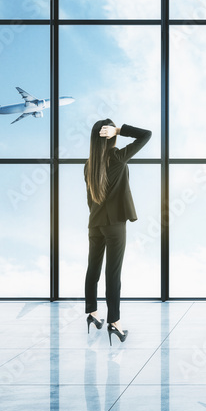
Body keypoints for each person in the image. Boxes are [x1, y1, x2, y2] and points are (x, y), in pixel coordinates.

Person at [84, 118, 151, 344]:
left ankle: (92, 313)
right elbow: (146, 134)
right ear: (110, 136)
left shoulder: (88, 163)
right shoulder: (117, 157)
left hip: (95, 223)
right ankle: (115, 323)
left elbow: (89, 199)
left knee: (93, 268)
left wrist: (97, 216)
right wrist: (120, 130)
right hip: (114, 225)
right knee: (113, 274)